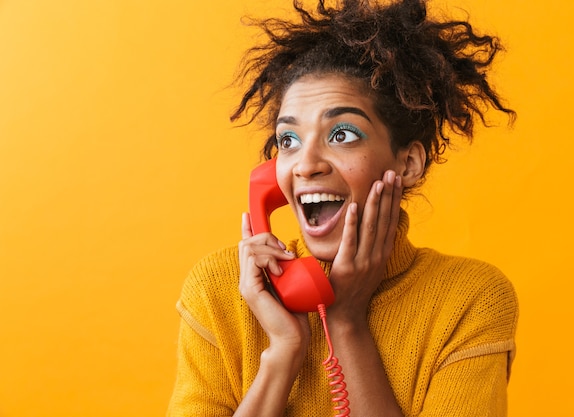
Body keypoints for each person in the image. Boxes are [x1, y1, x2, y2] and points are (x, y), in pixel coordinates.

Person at [167, 0, 518, 415]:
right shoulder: (219, 290)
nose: (307, 164)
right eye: (288, 141)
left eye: (342, 134)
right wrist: (282, 353)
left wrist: (346, 321)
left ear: (407, 164)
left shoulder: (470, 299)